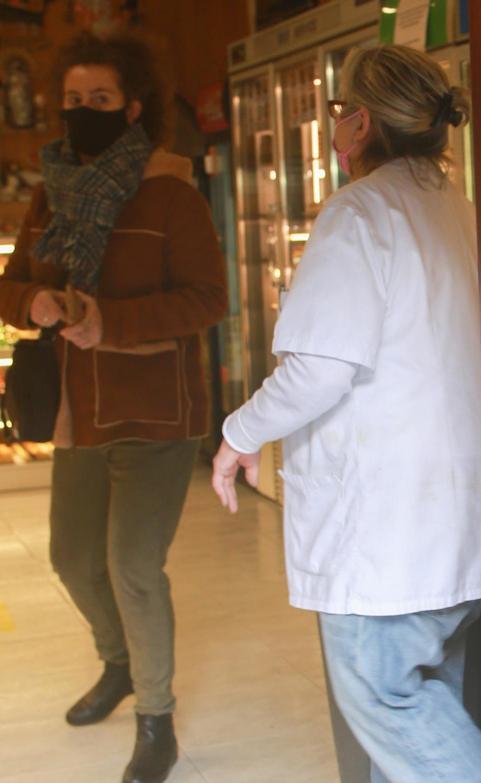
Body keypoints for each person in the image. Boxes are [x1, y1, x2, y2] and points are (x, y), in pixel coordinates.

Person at [211, 43, 481, 782]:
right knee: (434, 698)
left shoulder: (359, 212)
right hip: (457, 518)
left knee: (387, 700)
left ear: (359, 122)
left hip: (387, 535)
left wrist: (239, 432)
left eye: (338, 113)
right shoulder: (458, 209)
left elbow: (318, 369)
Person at [0, 31, 226, 783]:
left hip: (158, 411)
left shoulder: (172, 193)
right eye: (71, 101)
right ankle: (120, 661)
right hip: (78, 413)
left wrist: (112, 322)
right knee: (72, 557)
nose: (82, 113)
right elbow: (9, 285)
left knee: (131, 564)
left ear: (133, 108)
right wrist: (29, 297)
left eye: (99, 100)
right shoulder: (50, 191)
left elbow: (208, 300)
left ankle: (155, 717)